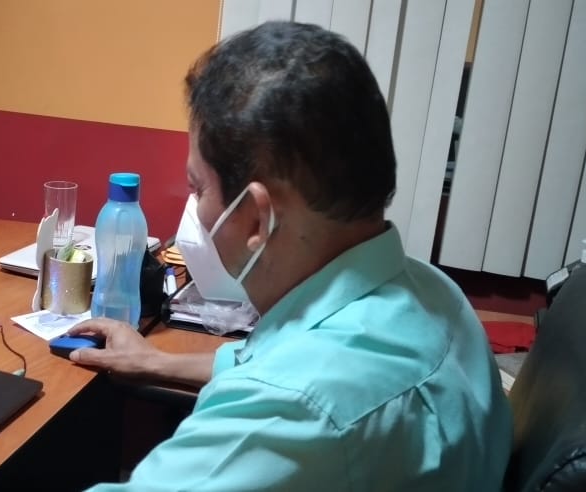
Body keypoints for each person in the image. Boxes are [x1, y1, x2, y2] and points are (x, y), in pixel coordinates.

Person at [67, 22, 511, 491]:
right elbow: (279, 358)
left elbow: (295, 385)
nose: (195, 206)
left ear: (257, 220)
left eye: (198, 188)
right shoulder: (432, 293)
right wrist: (157, 362)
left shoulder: (292, 410)